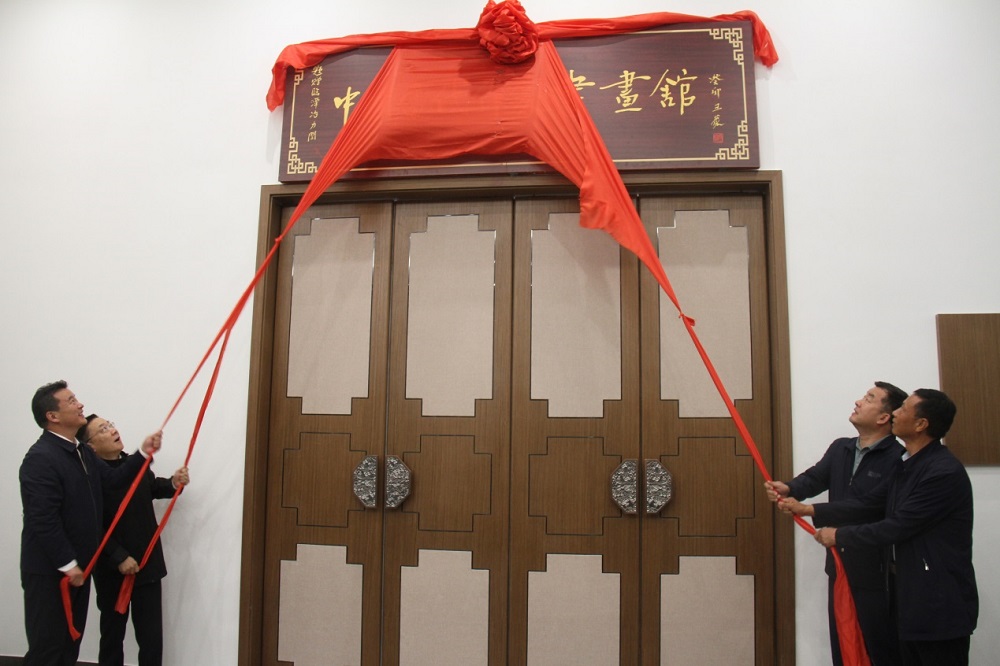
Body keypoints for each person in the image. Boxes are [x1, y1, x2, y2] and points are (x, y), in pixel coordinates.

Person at [803, 389, 978, 665]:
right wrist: (811, 510)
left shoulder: (942, 472)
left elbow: (897, 527)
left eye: (903, 409)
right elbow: (869, 503)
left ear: (921, 424)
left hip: (937, 603)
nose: (895, 413)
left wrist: (839, 535)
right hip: (908, 599)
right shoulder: (906, 464)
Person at [20, 380, 162, 665]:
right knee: (48, 649)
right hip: (51, 573)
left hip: (80, 569)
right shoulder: (40, 458)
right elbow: (42, 519)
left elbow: (114, 479)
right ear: (53, 416)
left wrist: (142, 453)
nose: (80, 404)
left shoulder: (82, 451)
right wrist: (67, 563)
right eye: (72, 401)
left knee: (68, 648)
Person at [765, 381, 907, 666]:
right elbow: (815, 478)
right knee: (843, 640)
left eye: (869, 398)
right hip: (839, 562)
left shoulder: (897, 458)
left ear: (884, 417)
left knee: (876, 646)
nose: (858, 401)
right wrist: (789, 488)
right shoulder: (841, 447)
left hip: (876, 569)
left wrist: (809, 510)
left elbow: (869, 505)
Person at [78, 414, 189, 666]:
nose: (112, 430)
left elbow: (152, 488)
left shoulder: (133, 463)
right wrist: (118, 557)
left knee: (151, 639)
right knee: (112, 637)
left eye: (110, 424)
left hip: (146, 565)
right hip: (112, 571)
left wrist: (173, 483)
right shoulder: (89, 479)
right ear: (90, 447)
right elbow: (91, 526)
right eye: (103, 429)